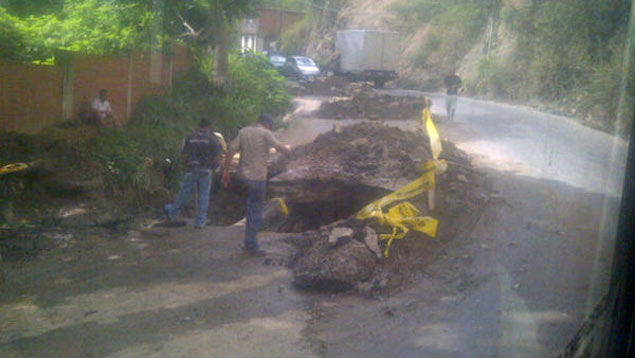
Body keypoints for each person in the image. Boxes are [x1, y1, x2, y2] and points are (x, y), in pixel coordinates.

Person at [222, 113, 291, 256]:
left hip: (243, 177)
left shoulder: (243, 132)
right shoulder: (265, 133)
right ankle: (251, 245)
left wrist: (226, 172)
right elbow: (281, 148)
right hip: (257, 177)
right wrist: (289, 149)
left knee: (250, 206)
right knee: (255, 211)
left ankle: (248, 238)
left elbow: (231, 152)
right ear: (267, 124)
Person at [165, 118, 222, 229]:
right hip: (206, 170)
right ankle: (200, 222)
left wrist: (186, 164)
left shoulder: (189, 137)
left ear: (198, 125)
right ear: (208, 127)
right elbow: (217, 157)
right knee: (203, 195)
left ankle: (173, 213)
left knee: (184, 192)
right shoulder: (212, 139)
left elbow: (183, 154)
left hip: (192, 169)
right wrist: (214, 168)